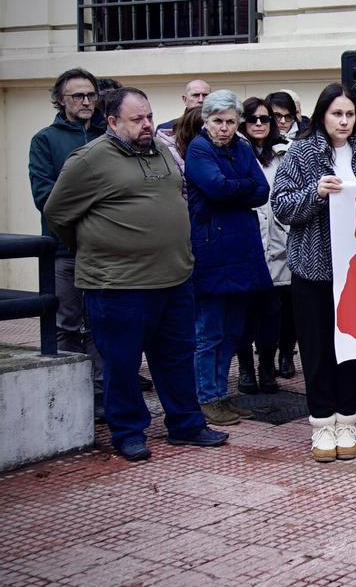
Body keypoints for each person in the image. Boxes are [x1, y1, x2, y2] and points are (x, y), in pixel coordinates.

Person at [43, 87, 229, 461]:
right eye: (137, 119)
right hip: (118, 285)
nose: (147, 125)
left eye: (148, 116)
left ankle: (186, 425)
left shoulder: (160, 150)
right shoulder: (89, 160)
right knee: (122, 362)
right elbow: (57, 214)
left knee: (177, 356)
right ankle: (128, 431)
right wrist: (102, 248)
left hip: (173, 279)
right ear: (112, 122)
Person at [272, 83, 356, 462]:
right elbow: (282, 207)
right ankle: (322, 423)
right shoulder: (302, 152)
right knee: (318, 346)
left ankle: (347, 418)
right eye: (337, 113)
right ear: (322, 115)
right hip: (314, 268)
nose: (343, 120)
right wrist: (316, 193)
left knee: (353, 346)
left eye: (350, 114)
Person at [184, 90, 273, 426]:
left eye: (230, 122)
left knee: (234, 330)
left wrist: (233, 188)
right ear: (206, 121)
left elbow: (262, 190)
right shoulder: (199, 148)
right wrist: (241, 188)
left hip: (242, 250)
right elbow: (216, 187)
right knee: (208, 331)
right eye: (218, 121)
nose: (224, 128)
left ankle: (222, 395)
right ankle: (207, 397)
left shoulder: (242, 147)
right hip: (211, 248)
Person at [29, 68, 111, 419]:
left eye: (91, 94)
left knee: (102, 325)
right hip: (64, 251)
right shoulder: (46, 140)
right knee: (66, 324)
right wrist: (96, 208)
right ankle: (69, 397)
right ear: (60, 99)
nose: (86, 101)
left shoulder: (108, 134)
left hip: (107, 251)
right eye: (78, 96)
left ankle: (101, 396)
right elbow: (45, 196)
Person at [235, 97, 292, 395]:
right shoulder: (234, 151)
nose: (259, 124)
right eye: (252, 119)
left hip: (278, 247)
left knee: (272, 315)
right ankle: (245, 369)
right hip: (246, 245)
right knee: (244, 315)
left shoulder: (283, 154)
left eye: (265, 119)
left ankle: (267, 368)